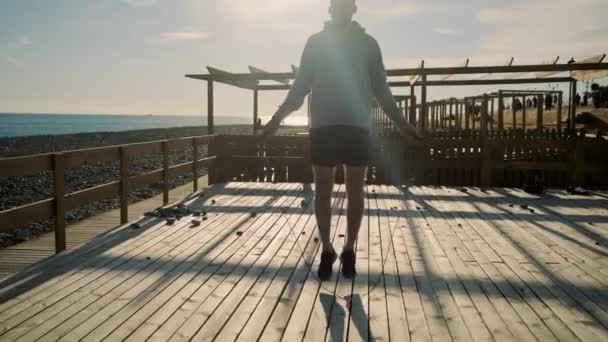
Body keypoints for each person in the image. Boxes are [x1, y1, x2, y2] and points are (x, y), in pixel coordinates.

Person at [262, 0, 420, 280]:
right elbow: (299, 88)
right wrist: (276, 119)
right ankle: (326, 249)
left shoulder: (369, 45)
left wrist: (404, 124)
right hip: (323, 127)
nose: (342, 8)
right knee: (322, 193)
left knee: (355, 192)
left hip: (358, 128)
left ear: (354, 9)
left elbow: (382, 91)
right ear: (330, 8)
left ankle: (348, 249)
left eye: (347, 4)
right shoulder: (316, 43)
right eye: (338, 4)